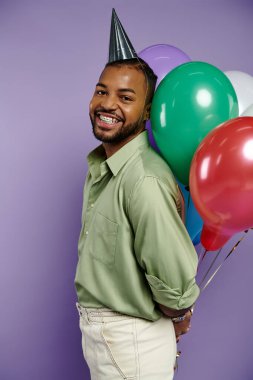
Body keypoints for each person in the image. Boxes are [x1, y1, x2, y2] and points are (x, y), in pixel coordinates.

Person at [75, 56, 200, 380]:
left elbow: (174, 287)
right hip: (107, 338)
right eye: (102, 92)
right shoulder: (103, 167)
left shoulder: (144, 180)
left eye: (125, 97)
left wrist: (180, 311)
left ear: (147, 111)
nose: (108, 104)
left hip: (132, 342)